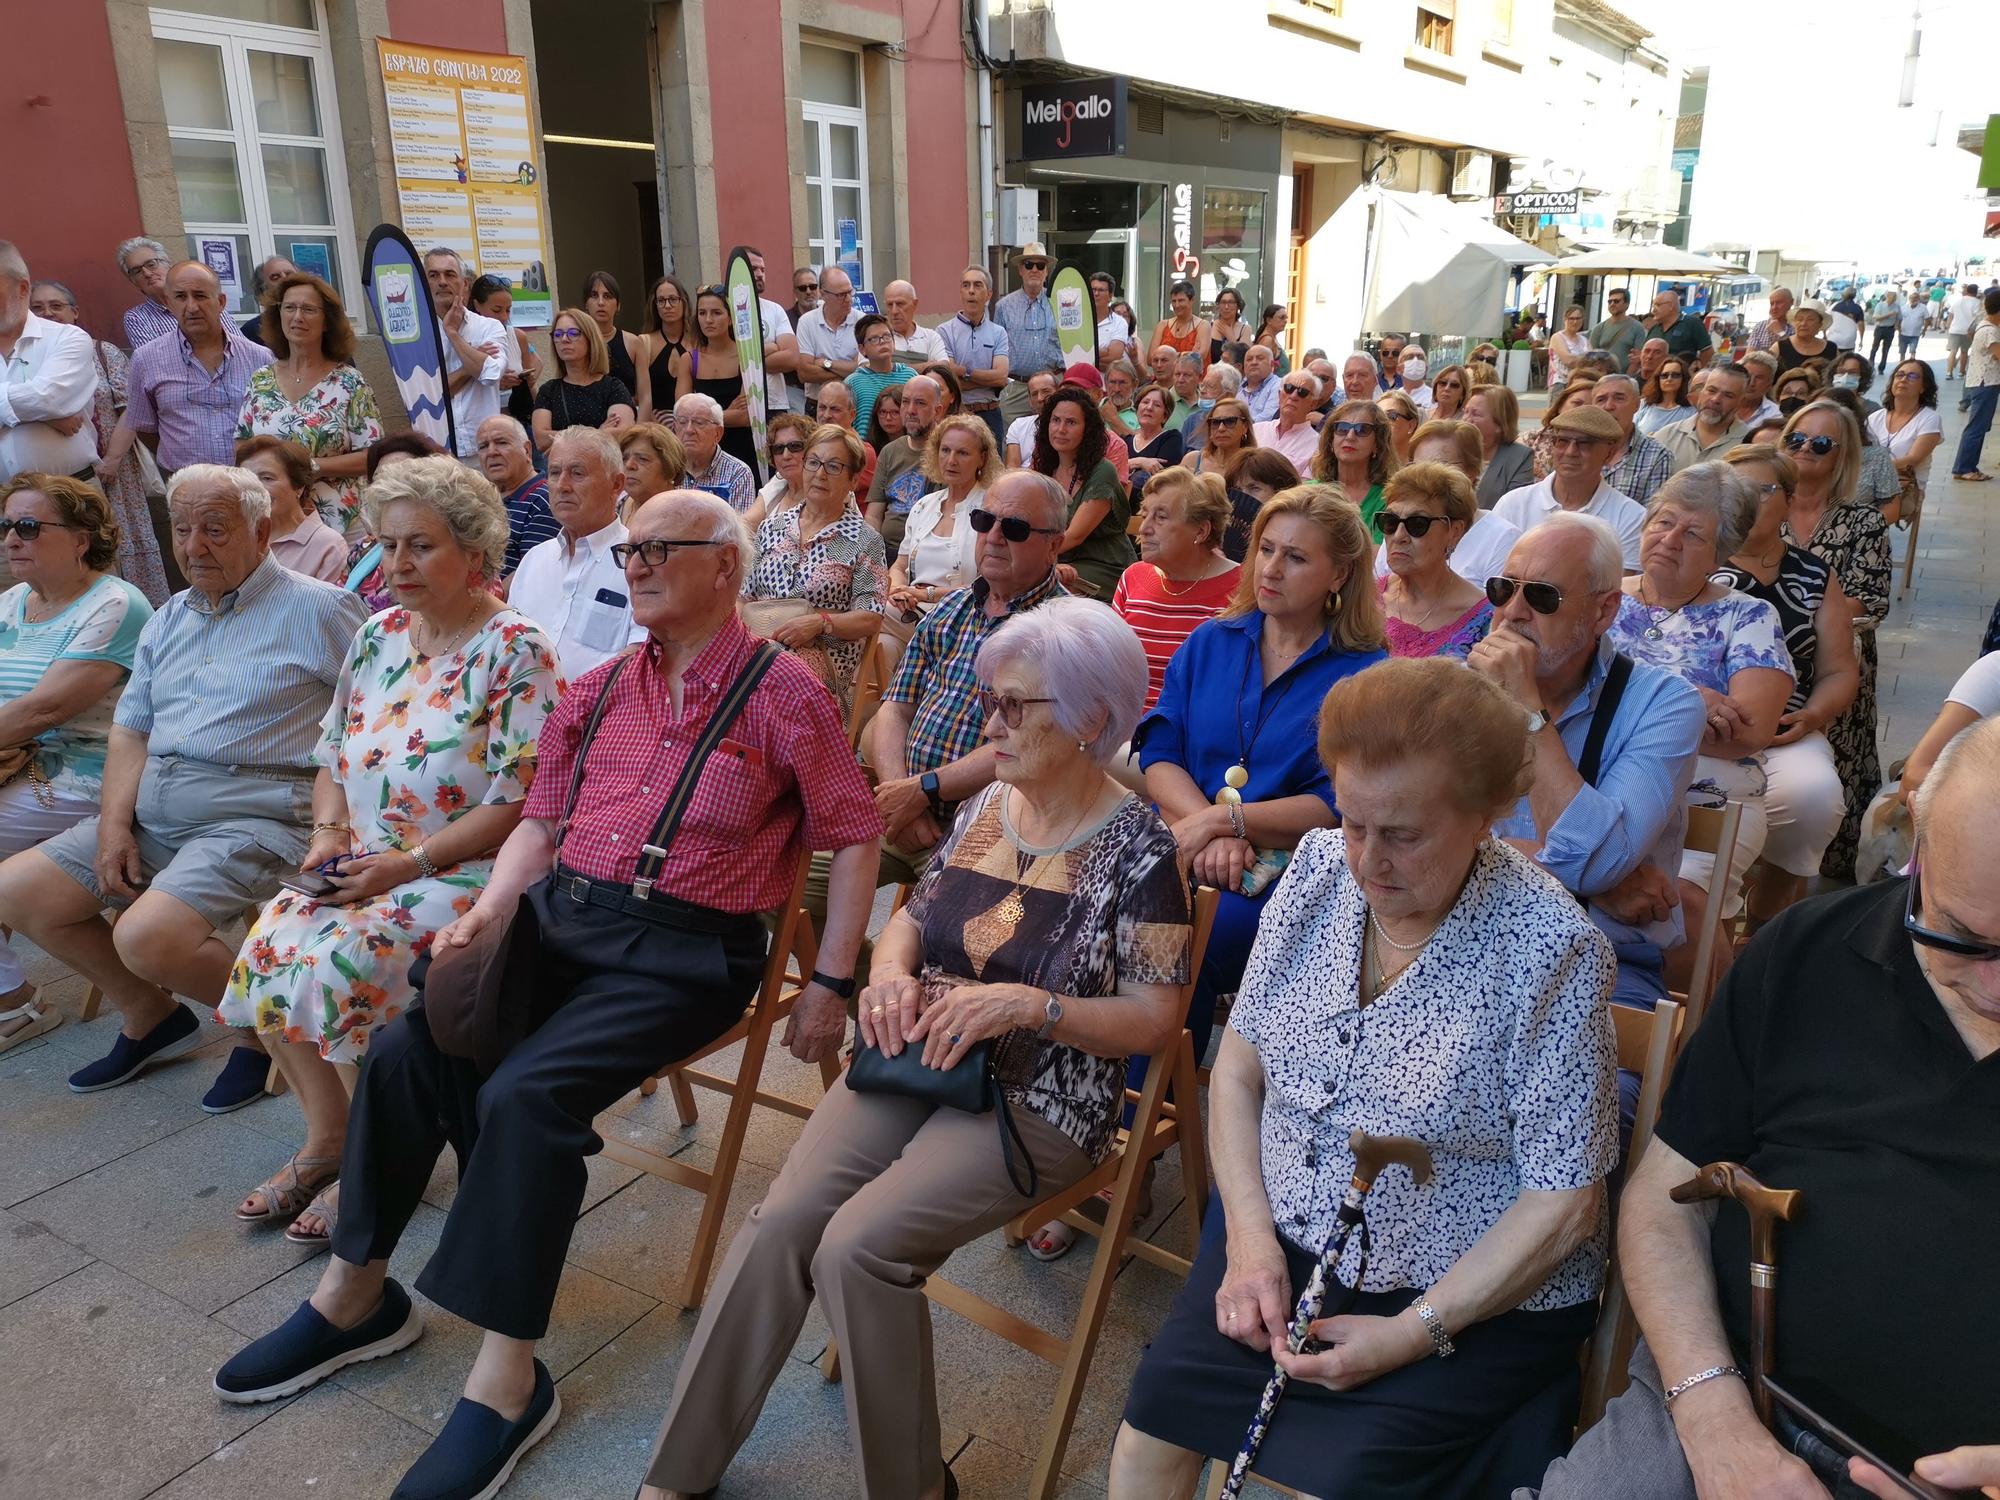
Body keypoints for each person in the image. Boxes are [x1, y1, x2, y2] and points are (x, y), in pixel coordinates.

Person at [215, 489, 881, 1500]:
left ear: (725, 569)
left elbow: (851, 828)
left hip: (687, 951)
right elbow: (539, 816)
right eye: (634, 548)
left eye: (663, 547)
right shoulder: (603, 685)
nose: (639, 561)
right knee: (406, 1046)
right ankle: (357, 1296)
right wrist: (484, 912)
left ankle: (507, 1379)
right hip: (565, 915)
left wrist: (830, 980)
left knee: (526, 1097)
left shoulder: (784, 691)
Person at [644, 596, 1184, 1500]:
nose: (991, 724)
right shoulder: (985, 805)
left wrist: (1032, 1005)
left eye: (1018, 706)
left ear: (1093, 718)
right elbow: (914, 925)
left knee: (856, 1247)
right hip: (919, 1052)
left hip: (1039, 1097)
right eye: (990, 700)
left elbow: (1156, 1018)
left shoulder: (1140, 847)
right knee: (782, 1223)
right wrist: (885, 972)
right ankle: (676, 1472)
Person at [1113, 657, 1619, 1500]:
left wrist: (1414, 1334)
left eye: (1405, 834)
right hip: (1278, 1246)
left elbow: (1567, 1202)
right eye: (1354, 823)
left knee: (1332, 1485)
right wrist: (1246, 1240)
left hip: (1466, 1295)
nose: (1369, 862)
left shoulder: (1549, 950)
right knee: (1145, 1441)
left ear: (1488, 818)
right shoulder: (1315, 870)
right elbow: (1239, 1070)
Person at [1525, 717, 2000, 1500]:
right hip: (1722, 1403)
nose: (1993, 987)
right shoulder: (1807, 953)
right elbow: (1664, 1200)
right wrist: (1712, 1415)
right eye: (1957, 935)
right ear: (1918, 850)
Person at [215, 456, 562, 1241]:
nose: (396, 564)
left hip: (468, 870)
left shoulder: (517, 649)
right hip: (366, 856)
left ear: (474, 553)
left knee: (349, 963)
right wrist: (329, 836)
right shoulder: (378, 636)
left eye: (421, 547)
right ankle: (328, 1140)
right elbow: (333, 751)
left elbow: (523, 800)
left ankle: (375, 1158)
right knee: (268, 947)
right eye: (387, 544)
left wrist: (411, 863)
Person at [0, 464, 366, 1103]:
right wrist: (114, 827)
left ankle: (261, 1032)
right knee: (16, 892)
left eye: (215, 530)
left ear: (259, 531)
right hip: (155, 805)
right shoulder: (171, 615)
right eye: (184, 529)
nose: (194, 547)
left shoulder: (323, 609)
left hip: (258, 810)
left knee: (145, 935)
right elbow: (131, 731)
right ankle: (153, 1014)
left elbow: (369, 725)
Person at [1122, 487, 1385, 1177]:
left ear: (1340, 574)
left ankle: (1125, 1146)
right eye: (1265, 549)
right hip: (1185, 843)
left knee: (1183, 937)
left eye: (1295, 557)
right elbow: (1161, 749)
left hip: (1296, 876)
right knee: (1100, 907)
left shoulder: (1365, 673)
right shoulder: (1213, 639)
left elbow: (1338, 803)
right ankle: (1076, 1106)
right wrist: (1204, 828)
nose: (1269, 568)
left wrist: (1226, 819)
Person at [1471, 513, 1705, 1013]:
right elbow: (1404, 842)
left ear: (1603, 612)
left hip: (1598, 966)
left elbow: (1592, 861)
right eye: (1502, 588)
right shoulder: (1454, 689)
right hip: (1459, 946)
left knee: (1601, 1092)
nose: (1512, 612)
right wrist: (1600, 887)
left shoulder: (1663, 703)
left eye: (1541, 597)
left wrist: (1526, 708)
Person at [1603, 466, 1793, 951]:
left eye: (1692, 533)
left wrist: (1618, 710)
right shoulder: (1600, 597)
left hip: (1705, 791)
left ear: (1719, 553)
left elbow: (1747, 733)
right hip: (1598, 782)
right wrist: (1693, 702)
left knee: (1679, 899)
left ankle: (1712, 1023)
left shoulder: (1747, 615)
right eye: (1662, 523)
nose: (1670, 539)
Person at [0, 475, 153, 1050]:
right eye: (6, 526)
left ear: (82, 539)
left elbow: (47, 707)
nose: (12, 539)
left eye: (30, 526)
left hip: (91, 777)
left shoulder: (116, 603)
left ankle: (15, 1006)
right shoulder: (13, 603)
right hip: (21, 769)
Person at [1714, 444, 1858, 928]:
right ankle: (1713, 915)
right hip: (1704, 730)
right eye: (1732, 492)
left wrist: (1812, 716)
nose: (1746, 502)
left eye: (1761, 490)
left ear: (1789, 499)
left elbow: (1839, 670)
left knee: (1813, 795)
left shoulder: (1814, 575)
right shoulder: (1693, 565)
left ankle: (1768, 919)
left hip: (1784, 730)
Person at [1781, 400, 1891, 879]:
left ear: (1841, 456)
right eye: (1796, 438)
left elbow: (1868, 599)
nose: (1806, 448)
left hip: (1836, 656)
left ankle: (1831, 865)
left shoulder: (1862, 522)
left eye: (1821, 442)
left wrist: (1791, 611)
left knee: (1838, 762)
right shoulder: (1760, 508)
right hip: (1766, 653)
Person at [20, 277, 172, 601]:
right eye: (38, 308)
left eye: (56, 306)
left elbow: (131, 409)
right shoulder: (21, 361)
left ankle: (132, 610)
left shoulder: (103, 352)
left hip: (113, 471)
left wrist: (111, 463)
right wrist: (50, 415)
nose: (48, 313)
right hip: (57, 479)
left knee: (114, 543)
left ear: (75, 312)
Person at [741, 424, 886, 706]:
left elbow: (870, 618)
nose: (820, 474)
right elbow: (743, 596)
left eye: (833, 466)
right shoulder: (772, 526)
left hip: (818, 657)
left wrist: (820, 623)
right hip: (758, 645)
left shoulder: (865, 540)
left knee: (766, 673)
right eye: (813, 463)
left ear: (854, 479)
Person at [103, 262, 280, 486]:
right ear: (168, 302)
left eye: (200, 296)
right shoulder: (146, 360)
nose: (192, 306)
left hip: (250, 485)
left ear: (221, 302)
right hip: (187, 490)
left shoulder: (261, 358)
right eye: (180, 297)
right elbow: (146, 427)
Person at [508, 426, 648, 678]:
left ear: (616, 484)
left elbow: (641, 654)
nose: (562, 485)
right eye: (554, 472)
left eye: (577, 473)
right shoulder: (534, 560)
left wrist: (573, 706)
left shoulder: (640, 562)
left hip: (601, 713)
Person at [1112, 467, 1240, 711]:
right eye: (1144, 514)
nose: (1143, 528)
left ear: (1201, 531)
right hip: (1122, 729)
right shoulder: (1133, 577)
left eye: (1160, 517)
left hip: (1190, 735)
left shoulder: (1241, 590)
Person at [0, 245, 101, 490]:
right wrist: (46, 419)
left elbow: (49, 398)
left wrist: (46, 410)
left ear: (22, 288)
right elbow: (47, 406)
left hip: (70, 492)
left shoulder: (68, 338)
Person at [1492, 406, 1643, 569]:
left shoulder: (1631, 518)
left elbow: (1621, 589)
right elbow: (1492, 572)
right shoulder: (1513, 504)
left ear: (1609, 453)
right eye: (1562, 441)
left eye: (1584, 444)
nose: (1571, 452)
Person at [888, 413, 995, 625]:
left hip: (963, 613)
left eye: (963, 453)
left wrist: (926, 595)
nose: (951, 460)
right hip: (911, 610)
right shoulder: (923, 506)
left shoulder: (990, 510)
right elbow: (899, 566)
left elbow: (989, 585)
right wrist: (897, 591)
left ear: (982, 458)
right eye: (945, 450)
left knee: (869, 616)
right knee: (882, 645)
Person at [1378, 461, 1493, 659]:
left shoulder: (1485, 621)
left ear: (1454, 532)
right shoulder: (1367, 600)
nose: (1398, 536)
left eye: (1417, 524)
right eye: (1390, 521)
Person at [1032, 381, 1134, 599]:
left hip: (1103, 565)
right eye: (1056, 420)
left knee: (1042, 587)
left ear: (1087, 429)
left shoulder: (1102, 470)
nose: (1061, 429)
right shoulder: (1044, 467)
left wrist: (1028, 559)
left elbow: (1074, 536)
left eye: (1071, 422)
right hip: (1058, 561)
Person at [425, 248, 507, 458]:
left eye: (450, 274)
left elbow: (490, 375)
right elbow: (430, 398)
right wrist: (469, 367)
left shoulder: (490, 327)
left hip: (485, 451)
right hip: (438, 452)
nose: (442, 281)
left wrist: (452, 333)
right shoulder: (417, 337)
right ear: (424, 284)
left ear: (465, 284)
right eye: (433, 275)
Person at [669, 285, 758, 472]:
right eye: (702, 313)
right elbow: (681, 414)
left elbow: (745, 417)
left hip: (741, 447)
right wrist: (725, 413)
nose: (708, 320)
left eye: (716, 313)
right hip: (702, 451)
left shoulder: (746, 357)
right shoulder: (689, 360)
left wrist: (700, 419)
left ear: (731, 318)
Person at [236, 435, 344, 583]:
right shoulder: (235, 536)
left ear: (299, 486)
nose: (254, 489)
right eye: (247, 479)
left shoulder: (328, 545)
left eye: (267, 478)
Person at [533, 307, 636, 454]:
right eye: (558, 334)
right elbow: (542, 440)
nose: (564, 339)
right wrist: (598, 433)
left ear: (590, 339)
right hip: (563, 472)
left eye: (573, 333)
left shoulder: (613, 387)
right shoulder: (549, 390)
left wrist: (563, 438)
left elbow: (622, 434)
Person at [863, 373, 945, 554]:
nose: (910, 410)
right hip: (885, 550)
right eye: (905, 402)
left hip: (927, 551)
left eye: (920, 403)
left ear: (937, 411)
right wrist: (871, 552)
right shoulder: (889, 451)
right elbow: (873, 515)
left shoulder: (947, 452)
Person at [475, 414, 558, 579]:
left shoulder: (544, 501)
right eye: (484, 446)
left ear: (527, 450)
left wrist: (483, 600)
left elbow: (531, 573)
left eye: (501, 442)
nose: (491, 452)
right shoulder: (479, 499)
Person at [938, 265, 1010, 447]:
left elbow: (1001, 377)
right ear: (960, 292)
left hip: (990, 414)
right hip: (957, 413)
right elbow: (949, 381)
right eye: (966, 285)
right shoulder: (944, 332)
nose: (971, 291)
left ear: (989, 295)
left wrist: (964, 371)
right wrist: (988, 380)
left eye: (978, 285)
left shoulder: (998, 332)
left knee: (993, 472)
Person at [994, 245, 1063, 427]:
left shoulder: (1059, 303)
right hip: (1017, 388)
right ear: (1020, 269)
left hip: (1052, 386)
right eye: (1029, 264)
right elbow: (997, 348)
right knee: (1011, 443)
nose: (1034, 269)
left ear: (1046, 271)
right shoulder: (1003, 306)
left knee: (1055, 437)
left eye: (1040, 266)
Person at [1311, 399, 1400, 537]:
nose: (1350, 436)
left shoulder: (1389, 499)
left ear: (1377, 443)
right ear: (1331, 440)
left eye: (1362, 430)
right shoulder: (1308, 492)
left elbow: (1382, 554)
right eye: (1342, 428)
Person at [469, 274, 542, 435]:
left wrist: (525, 381)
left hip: (520, 423)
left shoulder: (518, 336)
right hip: (482, 427)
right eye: (496, 310)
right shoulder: (464, 339)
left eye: (508, 310)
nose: (504, 317)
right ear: (476, 306)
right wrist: (496, 383)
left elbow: (531, 383)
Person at [1868, 358, 1943, 509]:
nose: (1903, 379)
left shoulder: (1929, 419)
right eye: (1899, 374)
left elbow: (1912, 459)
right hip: (1870, 481)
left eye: (1912, 376)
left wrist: (1873, 471)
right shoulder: (1875, 417)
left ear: (1923, 387)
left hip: (1905, 486)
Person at [1589, 375, 1673, 506]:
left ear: (1637, 405)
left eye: (1619, 398)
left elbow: (1650, 517)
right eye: (1601, 400)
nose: (1609, 406)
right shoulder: (1577, 448)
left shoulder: (1657, 455)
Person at [579, 270, 651, 421]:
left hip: (629, 423)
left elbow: (645, 397)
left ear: (618, 305)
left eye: (607, 296)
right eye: (594, 295)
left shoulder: (633, 343)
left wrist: (637, 433)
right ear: (586, 303)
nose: (600, 302)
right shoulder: (577, 342)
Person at [1656, 360, 1748, 473]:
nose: (1715, 399)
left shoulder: (1749, 444)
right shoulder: (1665, 437)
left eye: (1728, 395)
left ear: (1741, 402)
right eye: (1711, 390)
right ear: (1701, 392)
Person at [672, 391, 756, 514]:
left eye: (699, 423)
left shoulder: (737, 472)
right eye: (682, 422)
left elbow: (739, 529)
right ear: (674, 428)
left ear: (718, 433)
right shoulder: (665, 467)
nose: (689, 430)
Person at [794, 264, 863, 415]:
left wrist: (826, 363)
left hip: (853, 406)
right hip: (817, 406)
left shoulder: (862, 321)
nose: (849, 299)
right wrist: (848, 370)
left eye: (850, 292)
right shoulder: (807, 322)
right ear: (823, 294)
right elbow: (804, 373)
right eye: (841, 295)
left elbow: (864, 369)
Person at [1950, 286, 2000, 481]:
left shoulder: (1985, 326)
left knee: (1979, 426)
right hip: (1985, 382)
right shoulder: (1991, 331)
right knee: (1977, 427)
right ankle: (1964, 468)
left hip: (1982, 381)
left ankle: (1967, 466)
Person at [845, 315, 918, 442]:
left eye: (887, 336)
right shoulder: (853, 382)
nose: (882, 341)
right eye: (874, 339)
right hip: (865, 451)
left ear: (894, 342)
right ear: (862, 349)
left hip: (905, 448)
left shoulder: (910, 376)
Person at [1222, 448, 1300, 564]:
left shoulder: (1297, 533)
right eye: (1237, 490)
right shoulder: (1221, 527)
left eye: (1254, 488)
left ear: (1280, 490)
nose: (1243, 496)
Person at [744, 408, 814, 531]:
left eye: (795, 446)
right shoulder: (779, 481)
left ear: (812, 448)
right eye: (778, 449)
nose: (786, 455)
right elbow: (746, 525)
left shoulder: (825, 490)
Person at [1469, 385, 1536, 506]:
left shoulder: (1520, 457)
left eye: (1475, 414)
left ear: (1500, 424)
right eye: (1466, 412)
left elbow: (1516, 506)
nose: (1466, 419)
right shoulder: (1453, 448)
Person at [1525, 376, 1601, 479]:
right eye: (1577, 403)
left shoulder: (1600, 447)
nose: (1582, 411)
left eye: (1590, 407)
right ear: (1560, 405)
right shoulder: (1529, 440)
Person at [640, 274, 693, 419]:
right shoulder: (645, 343)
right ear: (654, 305)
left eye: (673, 299)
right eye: (661, 301)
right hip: (654, 423)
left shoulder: (697, 343)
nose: (667, 306)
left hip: (690, 421)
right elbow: (640, 395)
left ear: (684, 302)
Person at [115, 236, 178, 351]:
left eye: (151, 264)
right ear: (133, 282)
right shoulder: (137, 318)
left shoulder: (203, 300)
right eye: (137, 271)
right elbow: (154, 362)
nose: (147, 273)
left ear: (168, 264)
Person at [1252, 369, 1323, 471]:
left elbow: (1307, 485)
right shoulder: (1256, 430)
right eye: (1289, 388)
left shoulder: (1317, 445)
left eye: (1302, 392)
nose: (1293, 396)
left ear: (1314, 404)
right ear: (1279, 395)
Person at [617, 421, 688, 519]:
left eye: (642, 459)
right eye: (624, 458)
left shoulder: (686, 515)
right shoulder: (616, 505)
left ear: (670, 466)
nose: (629, 465)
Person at [882, 279, 949, 372]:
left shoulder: (931, 337)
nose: (894, 311)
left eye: (900, 304)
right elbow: (869, 368)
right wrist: (925, 366)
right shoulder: (877, 338)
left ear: (915, 304)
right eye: (889, 304)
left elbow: (943, 367)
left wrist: (892, 368)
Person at [1126, 382, 1187, 481]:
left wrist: (1127, 464)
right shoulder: (1125, 441)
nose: (1149, 407)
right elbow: (1112, 470)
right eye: (1145, 402)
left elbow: (1160, 476)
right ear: (1137, 410)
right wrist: (1140, 462)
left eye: (1157, 405)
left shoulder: (1171, 438)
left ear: (1165, 416)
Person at [1151, 280, 1210, 376]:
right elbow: (1150, 358)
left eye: (1181, 300)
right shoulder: (1163, 325)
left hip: (1192, 383)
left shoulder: (1203, 325)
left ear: (1191, 301)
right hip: (1164, 383)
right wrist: (1186, 354)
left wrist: (1167, 357)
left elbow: (1199, 358)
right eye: (1174, 301)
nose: (1177, 305)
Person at [1646, 288, 1710, 364]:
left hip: (1681, 374)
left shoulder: (1692, 323)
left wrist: (1696, 373)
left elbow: (1707, 352)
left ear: (1670, 306)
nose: (1653, 310)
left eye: (1657, 305)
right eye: (1653, 306)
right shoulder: (1654, 328)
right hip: (1655, 374)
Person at [1591, 287, 1647, 371]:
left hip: (1625, 376)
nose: (1612, 304)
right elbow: (1592, 357)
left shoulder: (1637, 327)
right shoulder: (1598, 328)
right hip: (1602, 376)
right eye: (1610, 301)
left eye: (1616, 301)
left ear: (1626, 304)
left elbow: (1636, 358)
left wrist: (1628, 377)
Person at [1775, 299, 1832, 375]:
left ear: (1820, 324)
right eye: (1799, 319)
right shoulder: (1780, 347)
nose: (1803, 323)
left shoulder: (1831, 348)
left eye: (1810, 319)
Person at [1732, 350, 1782, 430]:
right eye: (1747, 375)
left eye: (1759, 378)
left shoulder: (1775, 415)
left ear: (1769, 383)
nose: (1751, 383)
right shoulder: (1722, 404)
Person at [1091, 270, 1132, 365]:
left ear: (1110, 296)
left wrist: (1086, 355)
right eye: (1093, 289)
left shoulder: (1119, 323)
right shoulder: (1079, 320)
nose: (1096, 293)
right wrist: (1103, 351)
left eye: (1101, 290)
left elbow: (1114, 358)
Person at [1945, 280, 1982, 383]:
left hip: (1955, 329)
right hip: (1968, 330)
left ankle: (1949, 372)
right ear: (1976, 292)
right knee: (1964, 352)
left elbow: (1950, 314)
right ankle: (1961, 372)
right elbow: (1977, 318)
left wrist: (1948, 326)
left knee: (1953, 351)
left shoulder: (1958, 301)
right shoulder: (1978, 303)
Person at [1548, 305, 1591, 389]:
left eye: (1578, 318)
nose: (1575, 322)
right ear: (1565, 320)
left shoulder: (1584, 340)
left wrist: (1583, 360)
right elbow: (1569, 361)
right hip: (1560, 384)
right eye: (1571, 318)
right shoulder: (1557, 337)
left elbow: (1593, 362)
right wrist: (1586, 359)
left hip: (1580, 383)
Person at [1238, 343, 1281, 424]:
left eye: (1260, 358)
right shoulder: (1238, 387)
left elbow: (1268, 417)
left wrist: (1239, 426)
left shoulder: (1278, 385)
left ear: (1272, 365)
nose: (1254, 362)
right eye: (1249, 359)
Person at [1745, 286, 1795, 355]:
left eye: (1779, 302)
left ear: (1791, 302)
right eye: (1772, 303)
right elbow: (1749, 356)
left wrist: (1780, 333)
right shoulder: (1760, 326)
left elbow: (1794, 354)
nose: (1774, 307)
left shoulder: (1797, 327)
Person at [1869, 287, 1901, 371]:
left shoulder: (1897, 306)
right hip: (1880, 328)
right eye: (1891, 297)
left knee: (1886, 349)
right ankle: (1870, 364)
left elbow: (1899, 317)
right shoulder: (1880, 305)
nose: (1892, 299)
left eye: (1894, 298)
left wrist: (1896, 325)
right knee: (1875, 347)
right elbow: (1876, 318)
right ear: (1887, 297)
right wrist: (1888, 315)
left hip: (1890, 329)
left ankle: (1882, 367)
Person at [1252, 303, 1290, 374]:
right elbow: (1262, 368)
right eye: (1282, 317)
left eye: (1286, 318)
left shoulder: (1272, 338)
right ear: (1269, 320)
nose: (1285, 321)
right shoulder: (1267, 340)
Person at [1396, 347, 1434, 411]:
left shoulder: (1435, 398)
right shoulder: (1394, 397)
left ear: (1426, 368)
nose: (1416, 360)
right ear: (1399, 369)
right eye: (1409, 357)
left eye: (1420, 357)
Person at [1896, 290, 1928, 360]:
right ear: (1909, 299)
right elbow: (1899, 319)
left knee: (1913, 352)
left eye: (1915, 298)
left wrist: (1924, 330)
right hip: (1903, 333)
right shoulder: (1903, 307)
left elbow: (1927, 319)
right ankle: (1902, 366)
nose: (1913, 300)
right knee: (1902, 352)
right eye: (1911, 298)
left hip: (1915, 334)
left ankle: (1911, 366)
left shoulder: (1923, 308)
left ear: (1918, 299)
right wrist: (1898, 328)